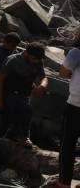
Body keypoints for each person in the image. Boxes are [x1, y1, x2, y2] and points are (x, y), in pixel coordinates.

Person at [0, 43, 48, 142]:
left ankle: (21, 137)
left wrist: (42, 86)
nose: (36, 61)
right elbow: (0, 79)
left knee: (26, 112)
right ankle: (2, 138)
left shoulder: (38, 62)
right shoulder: (12, 60)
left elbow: (43, 77)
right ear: (27, 54)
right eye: (34, 58)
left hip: (25, 94)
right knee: (11, 115)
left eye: (38, 59)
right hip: (9, 93)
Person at [56, 27, 80, 188]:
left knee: (68, 144)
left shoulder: (76, 52)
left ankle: (64, 182)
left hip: (76, 105)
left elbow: (63, 73)